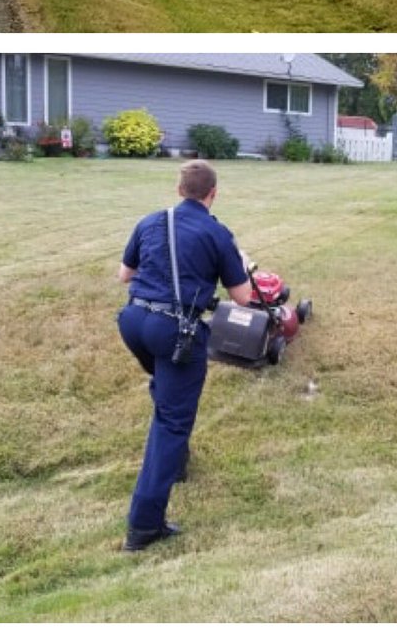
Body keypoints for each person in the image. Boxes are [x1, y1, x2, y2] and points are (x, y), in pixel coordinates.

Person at [116, 160, 252, 551]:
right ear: (213, 193)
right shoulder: (216, 233)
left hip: (133, 322)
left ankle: (175, 464)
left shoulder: (150, 221)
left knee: (167, 389)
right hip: (174, 332)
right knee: (172, 422)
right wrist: (238, 264)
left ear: (179, 190)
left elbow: (124, 275)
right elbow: (243, 297)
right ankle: (144, 527)